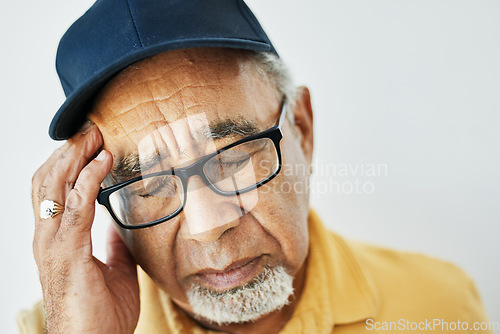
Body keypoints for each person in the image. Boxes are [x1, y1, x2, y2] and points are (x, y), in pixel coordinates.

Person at [18, 0, 491, 333]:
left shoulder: (440, 307)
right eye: (148, 185)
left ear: (302, 129)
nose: (209, 228)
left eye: (234, 158)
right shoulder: (54, 329)